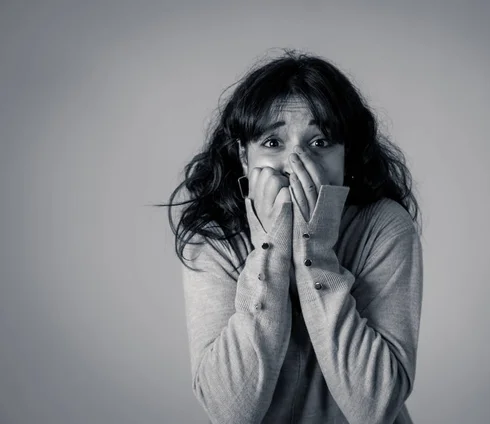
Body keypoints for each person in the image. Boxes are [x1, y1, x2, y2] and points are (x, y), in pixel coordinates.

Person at [166, 50, 424, 424]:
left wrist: (315, 249)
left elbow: (374, 406)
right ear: (244, 156)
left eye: (319, 142)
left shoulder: (384, 226)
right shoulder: (214, 237)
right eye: (273, 142)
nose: (295, 162)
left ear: (346, 156)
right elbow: (229, 410)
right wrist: (269, 248)